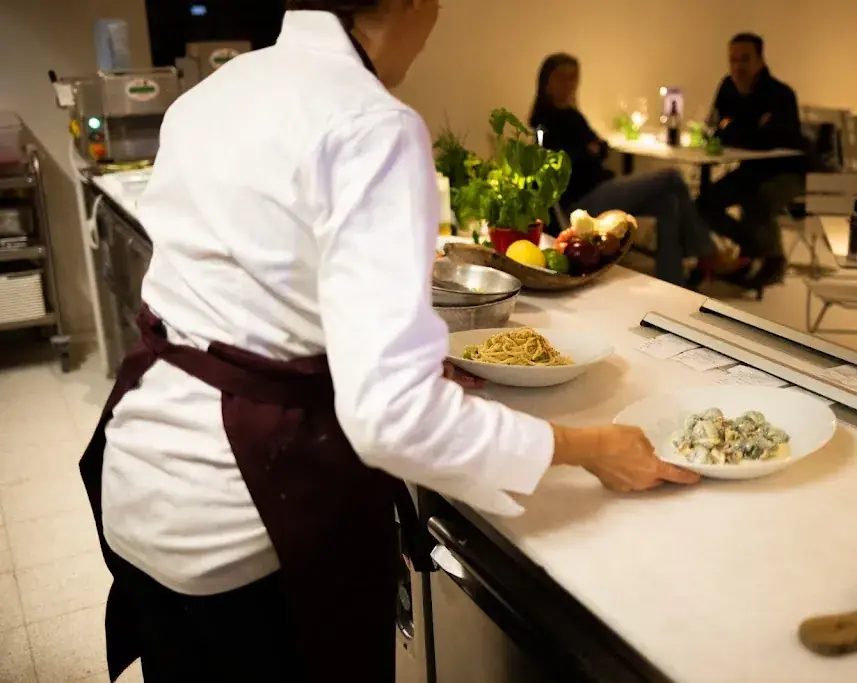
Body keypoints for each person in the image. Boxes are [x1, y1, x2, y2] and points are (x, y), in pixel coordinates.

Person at [78, 4, 700, 682]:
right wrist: (593, 448)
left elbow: (253, 297)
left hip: (139, 481)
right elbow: (392, 421)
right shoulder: (373, 125)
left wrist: (386, 353)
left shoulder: (212, 95)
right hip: (244, 520)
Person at [529, 53, 743, 288]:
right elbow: (567, 160)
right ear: (547, 81)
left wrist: (591, 150)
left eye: (574, 77)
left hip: (600, 186)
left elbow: (601, 148)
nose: (570, 83)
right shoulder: (544, 120)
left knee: (669, 202)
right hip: (581, 201)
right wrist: (589, 151)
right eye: (563, 77)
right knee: (671, 177)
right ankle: (708, 253)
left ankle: (672, 282)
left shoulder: (573, 114)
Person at [697, 33, 806, 291]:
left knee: (759, 199)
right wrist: (743, 130)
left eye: (744, 59)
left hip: (789, 173)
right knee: (704, 203)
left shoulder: (781, 94)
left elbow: (768, 140)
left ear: (760, 60)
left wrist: (733, 129)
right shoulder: (727, 86)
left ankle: (769, 261)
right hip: (751, 170)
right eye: (732, 60)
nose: (738, 66)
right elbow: (713, 127)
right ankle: (756, 248)